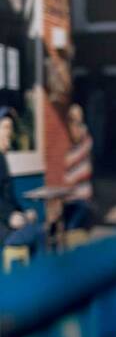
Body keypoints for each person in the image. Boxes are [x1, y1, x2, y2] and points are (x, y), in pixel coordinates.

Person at [0, 107, 46, 253]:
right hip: (3, 229)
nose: (10, 132)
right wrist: (9, 217)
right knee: (39, 233)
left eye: (11, 128)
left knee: (38, 228)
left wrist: (24, 213)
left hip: (7, 223)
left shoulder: (2, 158)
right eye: (5, 127)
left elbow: (8, 199)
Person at [62, 104, 95, 231]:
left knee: (72, 230)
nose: (75, 125)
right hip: (70, 198)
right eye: (72, 120)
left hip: (82, 198)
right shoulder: (70, 146)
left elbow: (76, 169)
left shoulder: (86, 141)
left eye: (78, 121)